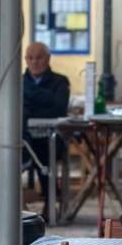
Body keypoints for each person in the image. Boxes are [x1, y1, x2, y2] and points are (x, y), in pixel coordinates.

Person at [22, 42, 69, 201]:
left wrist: (30, 98)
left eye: (39, 58)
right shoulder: (18, 82)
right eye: (30, 58)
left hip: (52, 137)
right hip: (24, 138)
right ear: (25, 60)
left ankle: (50, 200)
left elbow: (59, 109)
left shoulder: (60, 82)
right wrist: (45, 100)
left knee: (43, 148)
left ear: (48, 59)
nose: (34, 62)